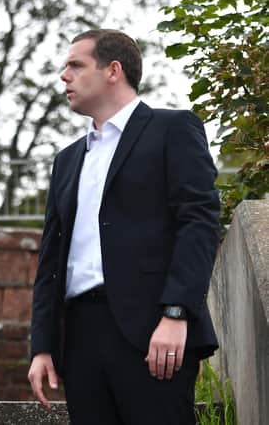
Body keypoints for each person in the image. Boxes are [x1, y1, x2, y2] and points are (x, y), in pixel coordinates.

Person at [27, 29, 220, 424]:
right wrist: (42, 345)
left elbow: (198, 222)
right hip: (80, 336)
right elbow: (51, 259)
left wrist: (176, 313)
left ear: (113, 70)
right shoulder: (67, 161)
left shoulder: (173, 129)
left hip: (154, 331)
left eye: (75, 65)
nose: (64, 75)